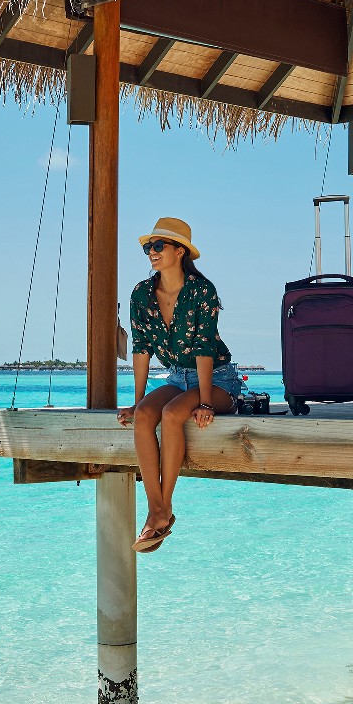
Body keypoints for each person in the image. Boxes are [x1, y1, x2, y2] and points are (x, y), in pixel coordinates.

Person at [116, 217, 242, 553]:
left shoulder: (203, 291)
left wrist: (204, 402)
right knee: (144, 417)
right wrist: (138, 401)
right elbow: (141, 349)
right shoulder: (141, 294)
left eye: (158, 246)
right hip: (176, 376)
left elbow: (204, 350)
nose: (151, 253)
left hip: (216, 378)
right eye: (148, 247)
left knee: (172, 415)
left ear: (180, 251)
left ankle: (162, 509)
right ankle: (156, 511)